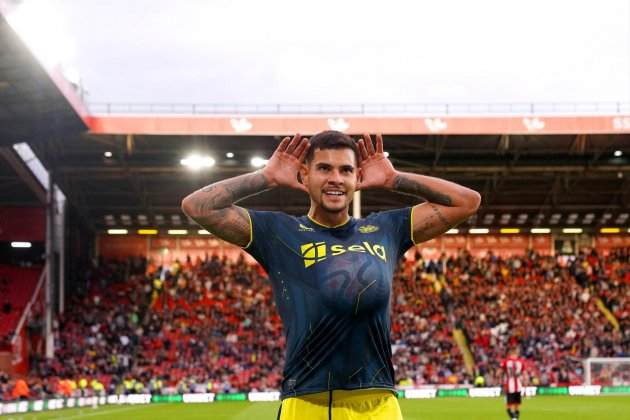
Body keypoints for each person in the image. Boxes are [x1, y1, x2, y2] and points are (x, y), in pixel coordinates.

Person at [182, 131, 480, 420]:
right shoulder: (278, 233)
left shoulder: (387, 229)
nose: (335, 178)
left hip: (380, 405)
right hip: (307, 404)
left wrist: (394, 179)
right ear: (305, 174)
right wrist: (265, 177)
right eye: (324, 168)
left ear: (357, 178)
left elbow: (466, 201)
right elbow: (197, 207)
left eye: (346, 170)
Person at [501, 346, 527, 420]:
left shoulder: (506, 361)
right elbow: (524, 374)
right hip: (517, 385)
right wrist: (525, 383)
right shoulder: (520, 362)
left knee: (510, 403)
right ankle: (515, 417)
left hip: (510, 385)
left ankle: (513, 417)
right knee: (516, 403)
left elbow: (500, 371)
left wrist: (500, 380)